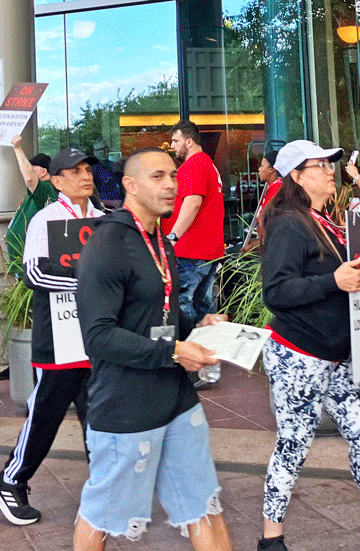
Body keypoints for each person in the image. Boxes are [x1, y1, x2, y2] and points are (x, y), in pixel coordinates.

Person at [73, 147, 232, 551]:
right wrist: (175, 352)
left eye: (174, 176)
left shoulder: (159, 239)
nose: (171, 185)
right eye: (158, 177)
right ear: (129, 185)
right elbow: (99, 336)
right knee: (103, 518)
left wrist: (198, 325)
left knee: (204, 506)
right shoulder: (108, 242)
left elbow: (157, 311)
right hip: (125, 403)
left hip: (176, 397)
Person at [259, 140, 360, 551]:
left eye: (329, 164)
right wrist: (334, 281)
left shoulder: (328, 221)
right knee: (294, 445)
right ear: (296, 177)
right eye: (319, 166)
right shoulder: (288, 223)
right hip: (299, 355)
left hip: (338, 354)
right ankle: (271, 539)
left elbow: (343, 277)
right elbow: (276, 292)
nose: (330, 171)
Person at [0, 148, 104, 526]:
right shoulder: (46, 219)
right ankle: (10, 479)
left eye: (88, 169)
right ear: (56, 180)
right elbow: (34, 274)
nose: (84, 176)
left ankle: (104, 486)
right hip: (58, 335)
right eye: (74, 171)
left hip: (96, 335)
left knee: (97, 414)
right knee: (46, 414)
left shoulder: (104, 221)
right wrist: (90, 282)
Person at [160, 121, 225, 327]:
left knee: (181, 303)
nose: (172, 145)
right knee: (204, 305)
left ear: (189, 142)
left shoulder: (193, 165)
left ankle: (191, 348)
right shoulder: (208, 163)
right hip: (208, 250)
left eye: (175, 140)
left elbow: (193, 202)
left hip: (190, 249)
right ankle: (210, 352)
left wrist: (172, 237)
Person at [5, 134, 58, 272]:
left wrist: (17, 148)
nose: (28, 169)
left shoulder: (46, 188)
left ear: (43, 171)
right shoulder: (37, 192)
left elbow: (30, 179)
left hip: (31, 265)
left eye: (32, 166)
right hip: (21, 262)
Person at [241, 149, 282, 253]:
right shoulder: (270, 187)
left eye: (262, 166)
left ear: (272, 169)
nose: (259, 169)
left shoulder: (279, 190)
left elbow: (274, 229)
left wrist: (255, 245)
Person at [91, 138, 124, 204]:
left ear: (108, 150)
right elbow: (92, 195)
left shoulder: (115, 165)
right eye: (99, 149)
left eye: (104, 148)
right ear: (95, 152)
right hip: (104, 206)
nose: (102, 151)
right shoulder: (92, 169)